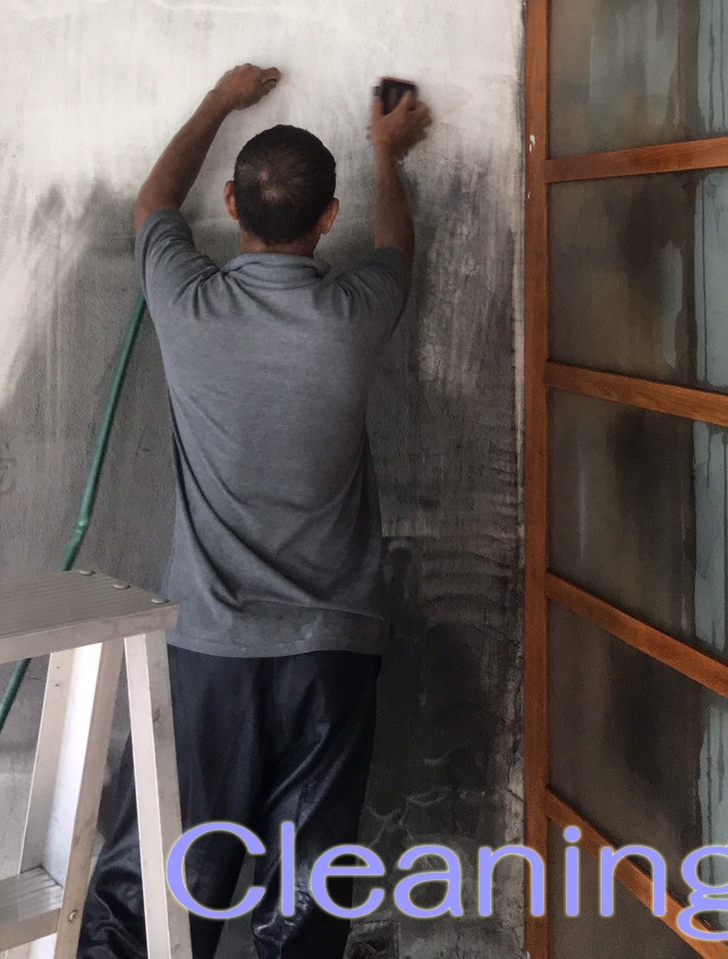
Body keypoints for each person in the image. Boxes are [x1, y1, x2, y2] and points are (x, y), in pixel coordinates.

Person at [77, 64, 431, 959]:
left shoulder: (186, 301)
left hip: (209, 655)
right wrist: (389, 156)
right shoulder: (355, 315)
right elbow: (397, 249)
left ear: (231, 204)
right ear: (329, 217)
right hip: (332, 652)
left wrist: (219, 101)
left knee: (155, 895)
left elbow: (155, 203)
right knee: (306, 900)